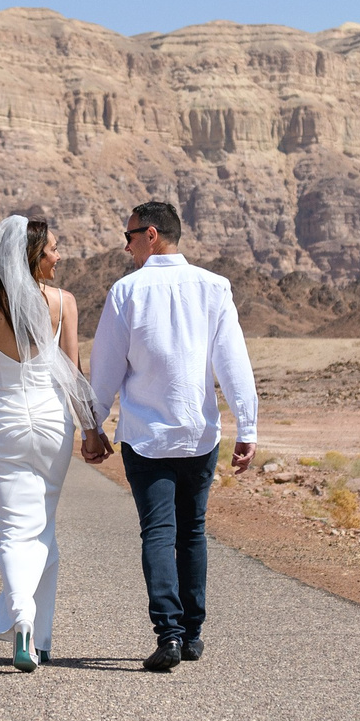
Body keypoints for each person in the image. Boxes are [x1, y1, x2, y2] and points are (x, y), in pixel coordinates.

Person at [81, 201, 257, 672]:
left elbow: (106, 368)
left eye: (130, 236)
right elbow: (233, 363)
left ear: (152, 234)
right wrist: (248, 425)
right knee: (192, 530)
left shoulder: (126, 291)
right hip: (200, 434)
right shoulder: (215, 287)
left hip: (146, 435)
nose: (126, 245)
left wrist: (93, 425)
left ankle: (171, 635)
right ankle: (193, 634)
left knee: (159, 532)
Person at [0, 214, 97, 672]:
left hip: (1, 417)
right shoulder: (63, 303)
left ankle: (23, 619)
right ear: (32, 256)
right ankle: (40, 639)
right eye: (52, 250)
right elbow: (74, 373)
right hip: (50, 421)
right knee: (42, 526)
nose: (59, 257)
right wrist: (92, 428)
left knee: (13, 529)